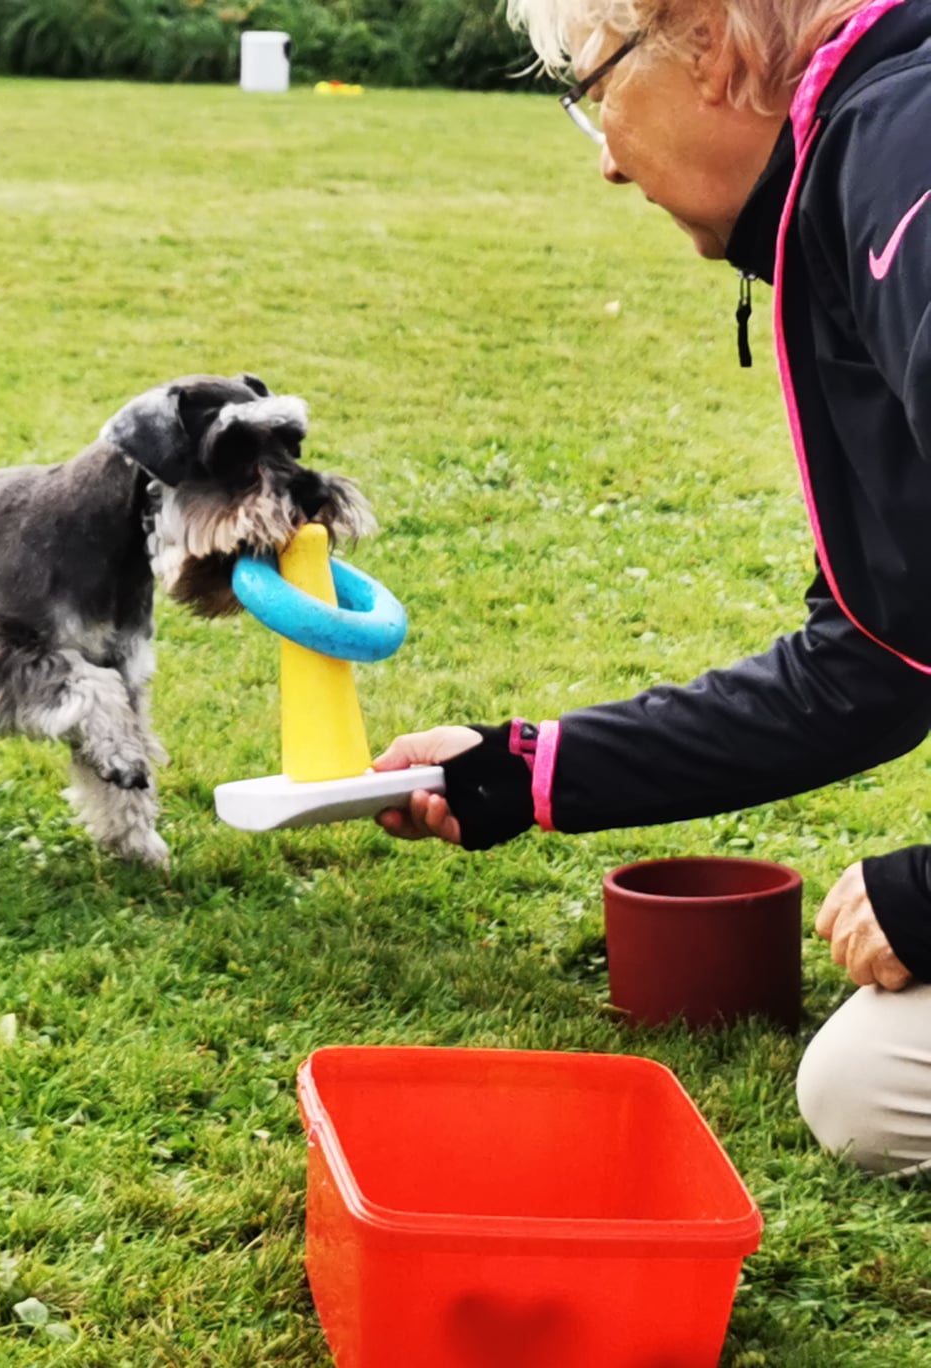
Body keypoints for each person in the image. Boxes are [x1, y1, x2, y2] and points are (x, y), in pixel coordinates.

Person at [372, 0, 931, 1176]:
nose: (610, 159)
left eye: (595, 87)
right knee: (868, 1085)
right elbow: (877, 660)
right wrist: (523, 771)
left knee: (870, 1091)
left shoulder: (902, 158)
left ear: (717, 46)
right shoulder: (858, 163)